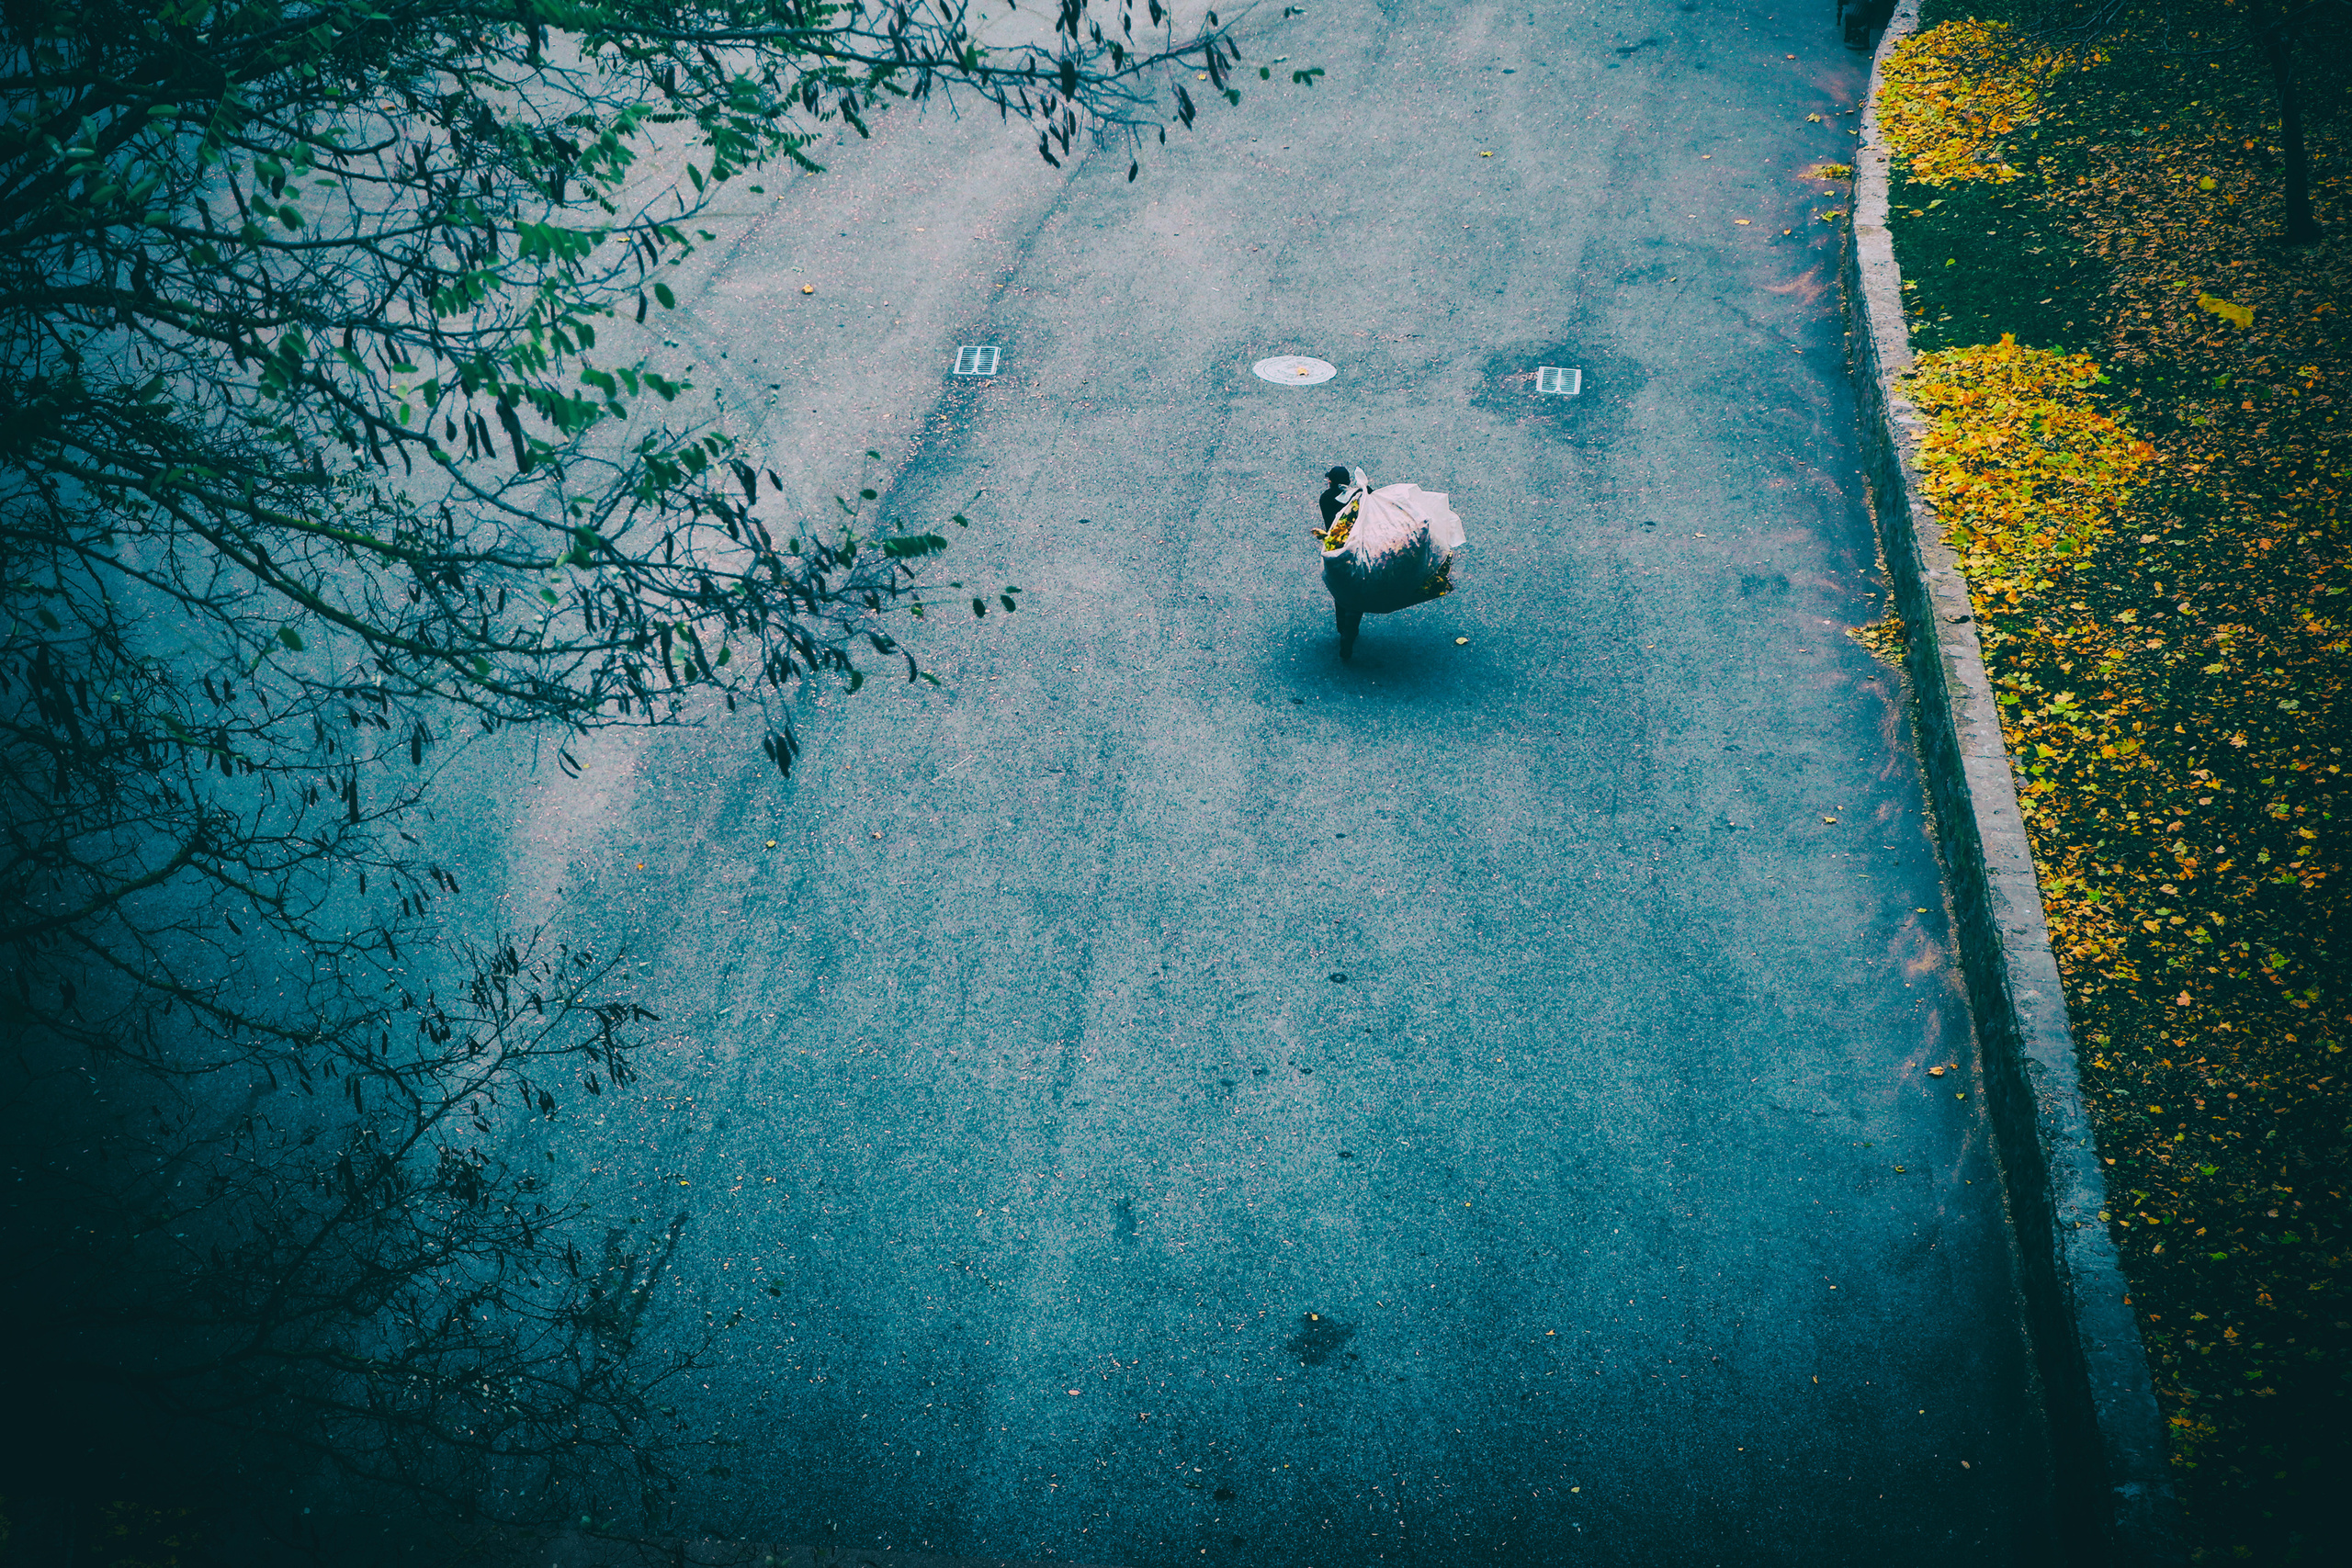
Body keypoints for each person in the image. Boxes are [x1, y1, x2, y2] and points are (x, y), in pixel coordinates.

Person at [1310, 466, 1464, 660]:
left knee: (1340, 592)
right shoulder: (1360, 495)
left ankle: (1343, 628)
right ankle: (1350, 632)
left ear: (1330, 481)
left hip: (1338, 550)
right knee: (1356, 593)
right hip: (1361, 550)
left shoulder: (1325, 499)